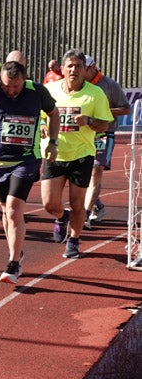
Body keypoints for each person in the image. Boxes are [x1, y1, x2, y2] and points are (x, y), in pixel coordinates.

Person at [0, 53, 60, 283]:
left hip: (26, 160)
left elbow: (54, 114)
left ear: (25, 79)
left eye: (16, 86)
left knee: (13, 210)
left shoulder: (37, 91)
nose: (11, 91)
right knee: (6, 214)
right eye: (8, 86)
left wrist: (53, 142)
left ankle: (13, 263)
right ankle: (16, 252)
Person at [40, 49, 114, 259]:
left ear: (85, 70)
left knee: (77, 203)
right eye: (70, 66)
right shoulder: (49, 90)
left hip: (81, 154)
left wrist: (89, 121)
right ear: (62, 69)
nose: (74, 70)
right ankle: (62, 217)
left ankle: (73, 239)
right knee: (49, 203)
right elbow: (37, 117)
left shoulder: (95, 94)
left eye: (78, 66)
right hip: (55, 152)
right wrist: (42, 129)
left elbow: (105, 123)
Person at [82, 57, 130, 226]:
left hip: (104, 133)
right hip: (83, 134)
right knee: (82, 174)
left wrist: (103, 111)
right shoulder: (79, 84)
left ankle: (85, 214)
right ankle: (98, 205)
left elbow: (126, 108)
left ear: (93, 67)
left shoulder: (109, 85)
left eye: (84, 69)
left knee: (96, 171)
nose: (80, 72)